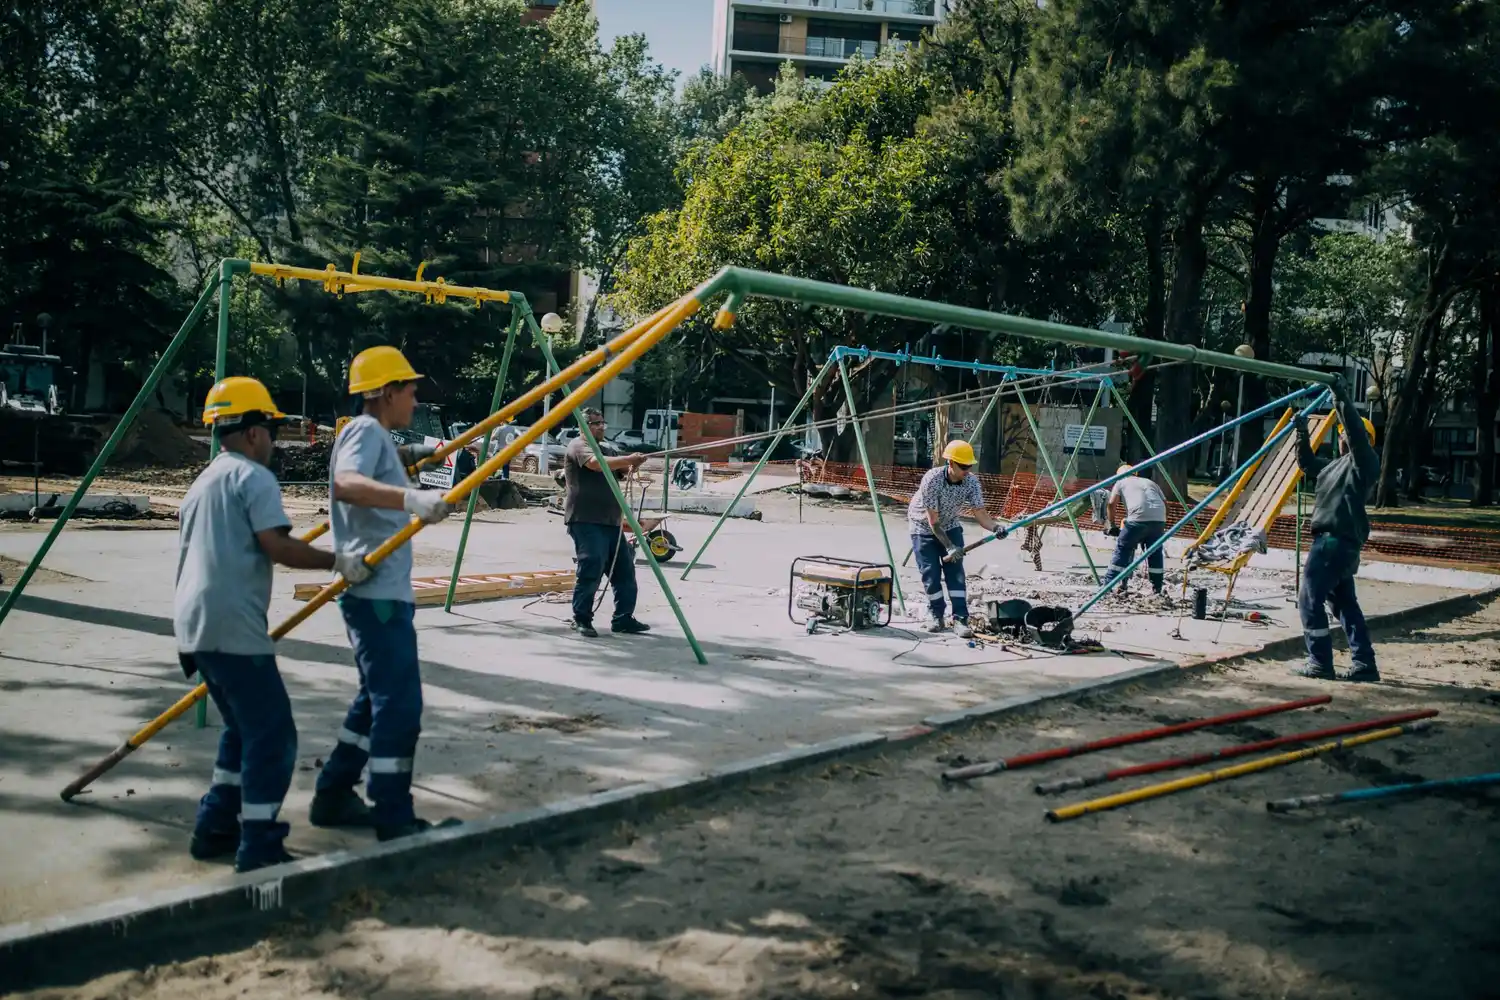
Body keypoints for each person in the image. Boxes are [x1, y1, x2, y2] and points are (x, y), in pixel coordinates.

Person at [177, 377, 371, 872]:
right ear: (253, 432)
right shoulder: (253, 478)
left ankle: (215, 826)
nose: (274, 441)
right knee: (274, 737)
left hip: (196, 625)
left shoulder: (203, 481)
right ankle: (259, 842)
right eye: (272, 430)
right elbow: (278, 546)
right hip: (233, 625)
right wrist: (339, 561)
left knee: (241, 733)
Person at [310, 345, 459, 841]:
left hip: (380, 590)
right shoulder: (364, 430)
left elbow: (377, 466)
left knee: (373, 702)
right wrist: (410, 498)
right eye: (409, 390)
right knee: (399, 705)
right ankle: (393, 814)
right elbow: (348, 483)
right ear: (386, 392)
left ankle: (333, 793)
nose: (415, 399)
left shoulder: (374, 436)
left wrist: (416, 458)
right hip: (375, 593)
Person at [1292, 378, 1381, 682]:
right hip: (1338, 546)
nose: (1344, 438)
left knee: (1308, 599)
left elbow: (1356, 434)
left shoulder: (1364, 463)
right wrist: (1301, 432)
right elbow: (1306, 464)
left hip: (1333, 543)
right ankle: (1364, 664)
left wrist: (1340, 395)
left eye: (1348, 434)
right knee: (1345, 605)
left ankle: (1319, 662)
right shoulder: (1332, 468)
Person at [907, 439, 1007, 638]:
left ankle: (960, 618)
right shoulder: (932, 479)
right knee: (931, 573)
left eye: (969, 466)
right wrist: (950, 547)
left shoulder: (971, 482)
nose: (967, 471)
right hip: (923, 526)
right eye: (963, 466)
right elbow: (933, 522)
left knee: (956, 573)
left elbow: (980, 512)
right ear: (950, 463)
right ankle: (936, 614)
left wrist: (995, 527)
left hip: (950, 524)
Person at [564, 408, 650, 637]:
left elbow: (620, 467)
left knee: (624, 571)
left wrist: (634, 461)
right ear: (583, 427)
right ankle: (581, 618)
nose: (601, 426)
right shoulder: (578, 446)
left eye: (602, 423)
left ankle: (623, 619)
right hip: (585, 519)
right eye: (595, 423)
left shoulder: (607, 448)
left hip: (610, 521)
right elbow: (595, 463)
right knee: (592, 565)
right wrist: (627, 460)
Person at [1104, 463, 1169, 597]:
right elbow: (1165, 503)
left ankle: (1107, 586)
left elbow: (1111, 504)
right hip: (1159, 520)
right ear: (1135, 473)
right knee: (1155, 554)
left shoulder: (1121, 482)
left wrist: (1111, 524)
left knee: (1123, 550)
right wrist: (1159, 523)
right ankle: (1157, 589)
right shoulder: (1150, 482)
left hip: (1136, 520)